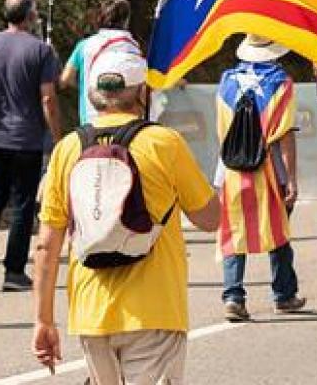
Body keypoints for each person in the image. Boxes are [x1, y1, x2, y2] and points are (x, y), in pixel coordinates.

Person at [31, 49, 222, 383]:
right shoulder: (164, 143)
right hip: (155, 310)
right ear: (143, 93)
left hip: (91, 314)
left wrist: (43, 320)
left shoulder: (67, 149)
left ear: (93, 95)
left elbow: (46, 247)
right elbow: (209, 219)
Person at [0, 0, 61, 292]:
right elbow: (48, 98)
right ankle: (14, 271)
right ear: (30, 15)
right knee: (22, 204)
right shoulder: (42, 51)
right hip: (28, 139)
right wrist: (59, 136)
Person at [215, 36, 307, 322]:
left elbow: (222, 128)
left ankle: (233, 296)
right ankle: (284, 293)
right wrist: (291, 177)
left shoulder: (226, 80)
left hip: (231, 165)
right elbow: (285, 134)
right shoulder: (280, 82)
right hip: (269, 165)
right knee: (277, 226)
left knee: (233, 229)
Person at [58, 0, 142, 126]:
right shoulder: (133, 47)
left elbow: (64, 80)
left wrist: (83, 84)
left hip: (91, 120)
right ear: (126, 20)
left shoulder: (84, 46)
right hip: (126, 123)